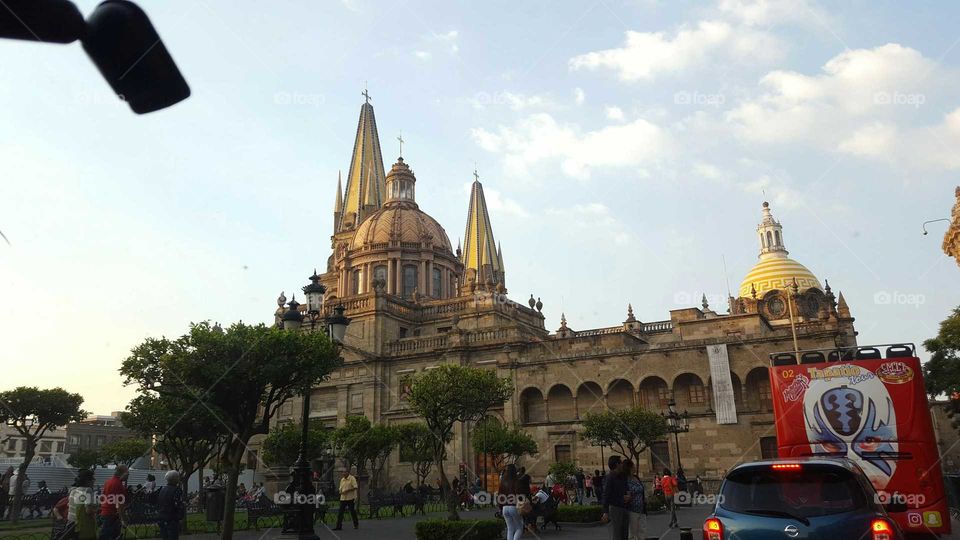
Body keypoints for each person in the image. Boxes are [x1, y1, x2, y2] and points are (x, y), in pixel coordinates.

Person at [601, 455, 631, 540]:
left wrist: (628, 495)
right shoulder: (609, 478)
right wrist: (605, 512)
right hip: (615, 508)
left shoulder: (623, 476)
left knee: (625, 534)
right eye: (621, 463)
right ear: (617, 464)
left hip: (624, 507)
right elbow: (606, 495)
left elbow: (627, 488)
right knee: (616, 535)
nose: (622, 464)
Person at [99, 464, 129, 540]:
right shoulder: (119, 485)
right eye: (128, 474)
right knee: (112, 536)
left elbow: (103, 497)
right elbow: (120, 505)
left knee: (105, 534)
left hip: (105, 512)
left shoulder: (108, 482)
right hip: (112, 514)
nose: (128, 476)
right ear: (123, 473)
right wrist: (123, 519)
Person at [154, 471, 186, 540]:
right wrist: (180, 516)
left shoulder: (162, 489)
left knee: (164, 536)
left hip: (162, 517)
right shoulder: (177, 490)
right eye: (178, 477)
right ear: (175, 479)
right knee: (173, 536)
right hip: (172, 518)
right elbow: (178, 504)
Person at [67, 469, 98, 540]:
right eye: (93, 479)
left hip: (70, 524)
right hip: (82, 526)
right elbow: (88, 511)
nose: (94, 481)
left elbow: (69, 505)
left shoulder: (73, 490)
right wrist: (97, 510)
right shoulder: (88, 490)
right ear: (88, 480)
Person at [498, 464, 523, 540]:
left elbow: (500, 495)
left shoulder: (502, 481)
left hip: (504, 508)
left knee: (510, 528)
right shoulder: (516, 481)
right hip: (513, 506)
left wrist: (500, 507)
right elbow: (519, 494)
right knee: (519, 528)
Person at [623, 460, 646, 540]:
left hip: (641, 509)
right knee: (633, 533)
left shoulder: (636, 478)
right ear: (629, 468)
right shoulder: (625, 480)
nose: (635, 467)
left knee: (642, 531)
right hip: (631, 509)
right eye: (633, 466)